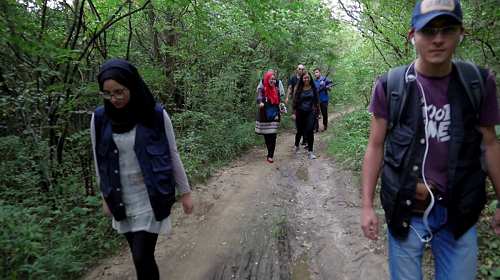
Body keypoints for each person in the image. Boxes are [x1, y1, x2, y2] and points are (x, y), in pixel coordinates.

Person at [360, 1, 500, 279]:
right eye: (428, 30)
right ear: (413, 35)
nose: (437, 39)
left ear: (461, 32)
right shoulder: (391, 86)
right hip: (407, 211)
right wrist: (366, 206)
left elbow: (490, 143)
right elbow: (375, 146)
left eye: (447, 29)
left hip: (460, 212)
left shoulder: (477, 83)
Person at [90, 59, 194, 280]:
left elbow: (172, 153)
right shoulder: (100, 119)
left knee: (141, 255)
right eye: (107, 94)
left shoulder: (154, 114)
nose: (114, 99)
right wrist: (104, 195)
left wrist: (185, 192)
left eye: (120, 92)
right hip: (121, 198)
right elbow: (100, 161)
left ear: (132, 86)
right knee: (140, 257)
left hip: (151, 195)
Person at [255, 70, 282, 163]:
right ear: (267, 79)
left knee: (273, 135)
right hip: (264, 116)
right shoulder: (262, 89)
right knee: (267, 136)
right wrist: (260, 102)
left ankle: (270, 155)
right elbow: (259, 97)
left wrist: (281, 109)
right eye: (271, 79)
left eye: (274, 79)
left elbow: (279, 101)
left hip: (274, 114)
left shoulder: (277, 89)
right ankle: (269, 150)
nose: (273, 81)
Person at [292, 71, 320, 160]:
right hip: (300, 112)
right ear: (302, 79)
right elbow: (295, 101)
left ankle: (310, 151)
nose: (306, 79)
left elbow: (316, 101)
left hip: (310, 112)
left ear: (310, 78)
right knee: (299, 131)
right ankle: (296, 146)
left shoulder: (313, 88)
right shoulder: (299, 88)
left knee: (310, 130)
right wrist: (294, 113)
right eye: (304, 78)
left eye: (308, 77)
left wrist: (318, 113)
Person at [313, 68, 333, 132]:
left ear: (320, 72)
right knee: (315, 114)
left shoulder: (325, 79)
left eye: (317, 72)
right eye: (315, 73)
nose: (316, 74)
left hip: (324, 99)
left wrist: (325, 86)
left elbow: (330, 89)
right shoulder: (314, 81)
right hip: (316, 100)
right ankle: (316, 128)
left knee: (324, 113)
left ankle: (325, 126)